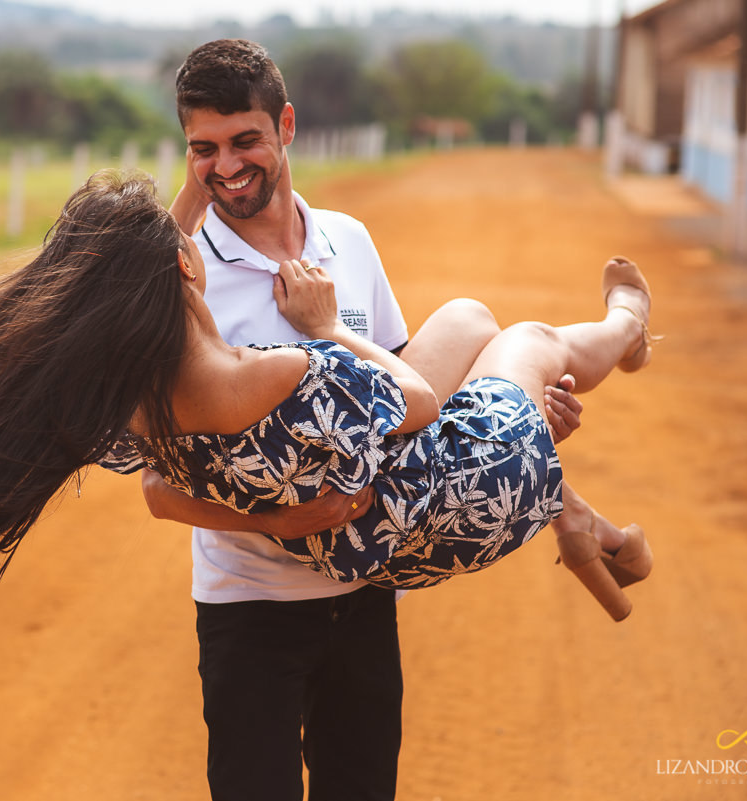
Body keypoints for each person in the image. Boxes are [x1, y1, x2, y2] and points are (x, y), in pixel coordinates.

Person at [0, 172, 656, 787]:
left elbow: (158, 469)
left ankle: (576, 518)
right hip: (454, 491)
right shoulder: (287, 370)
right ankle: (628, 323)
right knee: (524, 335)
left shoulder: (136, 413)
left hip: (373, 543)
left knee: (470, 323)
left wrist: (284, 520)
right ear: (181, 272)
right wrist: (324, 329)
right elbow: (421, 399)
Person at [156, 38, 584, 801]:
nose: (226, 165)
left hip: (365, 593)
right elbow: (158, 488)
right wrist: (283, 525)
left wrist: (521, 413)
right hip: (248, 607)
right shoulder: (181, 279)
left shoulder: (347, 241)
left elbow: (410, 400)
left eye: (245, 139)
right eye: (204, 149)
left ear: (286, 126)